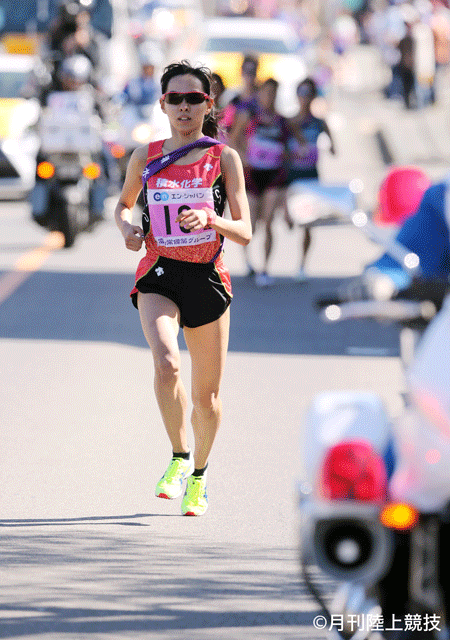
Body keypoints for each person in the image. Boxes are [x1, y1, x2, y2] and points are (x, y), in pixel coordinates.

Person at [114, 61, 252, 516]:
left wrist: (212, 220)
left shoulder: (223, 158)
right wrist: (127, 229)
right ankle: (178, 456)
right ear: (163, 104)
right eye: (176, 98)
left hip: (207, 278)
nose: (185, 107)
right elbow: (123, 206)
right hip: (159, 270)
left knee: (206, 397)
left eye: (194, 98)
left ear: (208, 104)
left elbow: (246, 230)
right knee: (167, 362)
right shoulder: (145, 156)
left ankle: (200, 476)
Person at [229, 78, 291, 286]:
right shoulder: (249, 117)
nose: (269, 97)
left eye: (273, 93)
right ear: (259, 95)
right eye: (266, 93)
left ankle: (265, 268)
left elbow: (290, 146)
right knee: (251, 224)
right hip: (252, 175)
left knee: (269, 222)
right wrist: (243, 157)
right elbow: (233, 141)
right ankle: (248, 263)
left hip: (273, 175)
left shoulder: (281, 121)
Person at [283, 77, 336, 282]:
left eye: (308, 93)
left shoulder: (319, 122)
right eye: (301, 93)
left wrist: (324, 145)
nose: (304, 98)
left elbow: (333, 148)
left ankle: (302, 265)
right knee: (287, 219)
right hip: (291, 174)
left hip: (311, 175)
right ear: (297, 96)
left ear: (313, 96)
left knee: (307, 223)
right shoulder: (289, 122)